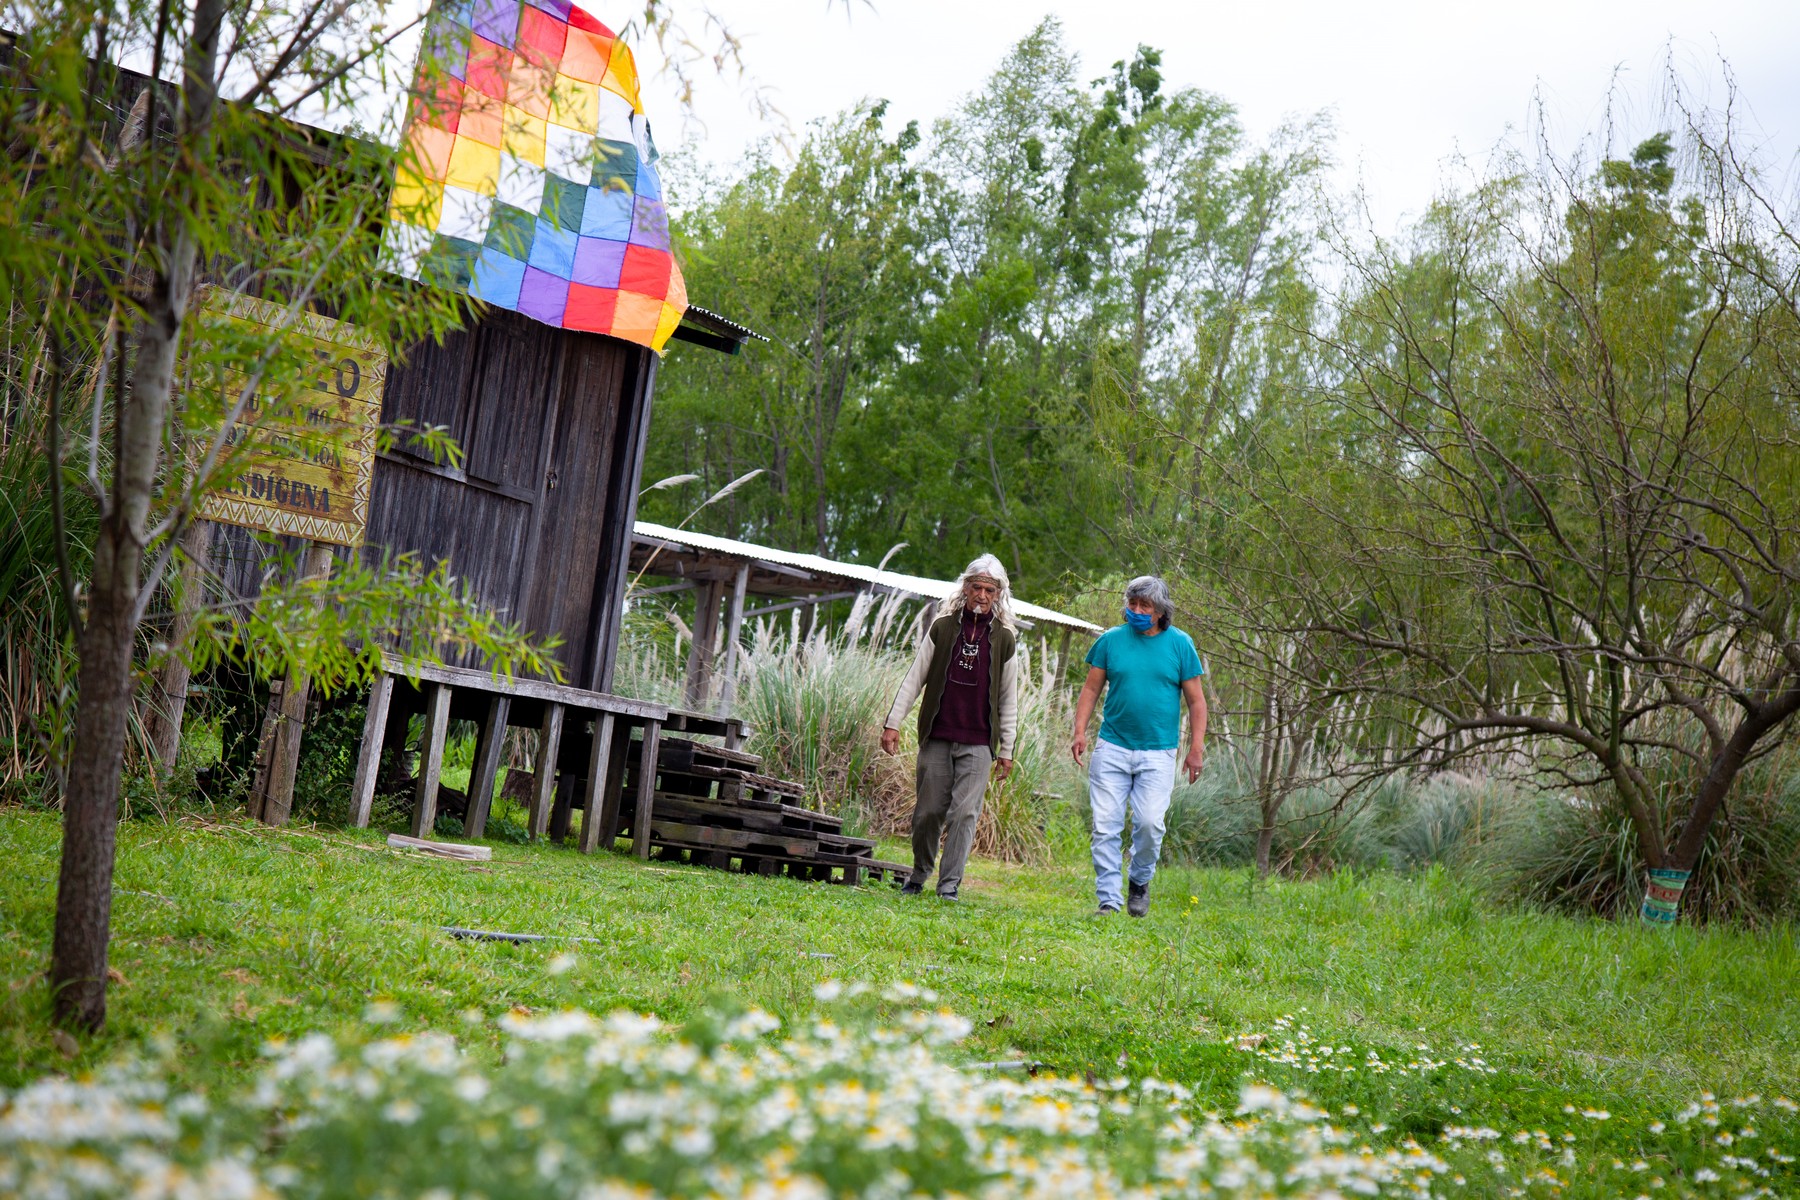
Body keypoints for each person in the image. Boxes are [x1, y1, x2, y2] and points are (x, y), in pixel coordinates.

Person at [880, 554, 1021, 900]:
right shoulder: (942, 627)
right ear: (966, 588)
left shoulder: (1005, 639)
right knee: (928, 812)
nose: (982, 595)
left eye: (990, 589)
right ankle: (918, 874)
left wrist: (1006, 749)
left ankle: (949, 887)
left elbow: (1008, 699)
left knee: (964, 814)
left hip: (978, 743)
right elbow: (915, 678)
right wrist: (892, 723)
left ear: (998, 593)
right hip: (938, 736)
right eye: (977, 587)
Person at [1070, 575, 1206, 917]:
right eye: (1132, 603)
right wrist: (1079, 730)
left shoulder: (1180, 644)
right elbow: (1090, 690)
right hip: (1112, 746)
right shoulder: (1111, 641)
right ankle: (1109, 900)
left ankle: (1140, 881)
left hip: (1159, 752)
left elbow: (1197, 702)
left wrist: (1196, 749)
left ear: (1161, 611)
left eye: (1145, 606)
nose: (1137, 610)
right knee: (1105, 826)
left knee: (1149, 824)